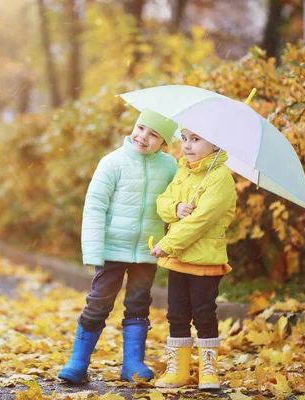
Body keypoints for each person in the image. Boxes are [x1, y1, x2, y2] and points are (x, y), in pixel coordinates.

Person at [58, 108, 178, 383]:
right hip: (112, 249)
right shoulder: (113, 162)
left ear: (164, 143)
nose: (143, 137)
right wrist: (93, 249)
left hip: (148, 252)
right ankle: (78, 361)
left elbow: (173, 204)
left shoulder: (171, 167)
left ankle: (133, 363)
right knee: (99, 302)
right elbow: (95, 206)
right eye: (141, 128)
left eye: (154, 134)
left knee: (138, 304)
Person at [150, 127, 236, 389]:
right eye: (184, 139)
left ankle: (208, 370)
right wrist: (175, 208)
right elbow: (162, 201)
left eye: (195, 139)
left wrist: (168, 244)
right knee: (176, 313)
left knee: (203, 313)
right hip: (179, 259)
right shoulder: (183, 171)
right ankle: (179, 369)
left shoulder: (221, 179)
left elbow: (202, 220)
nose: (187, 145)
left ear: (216, 144)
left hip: (204, 259)